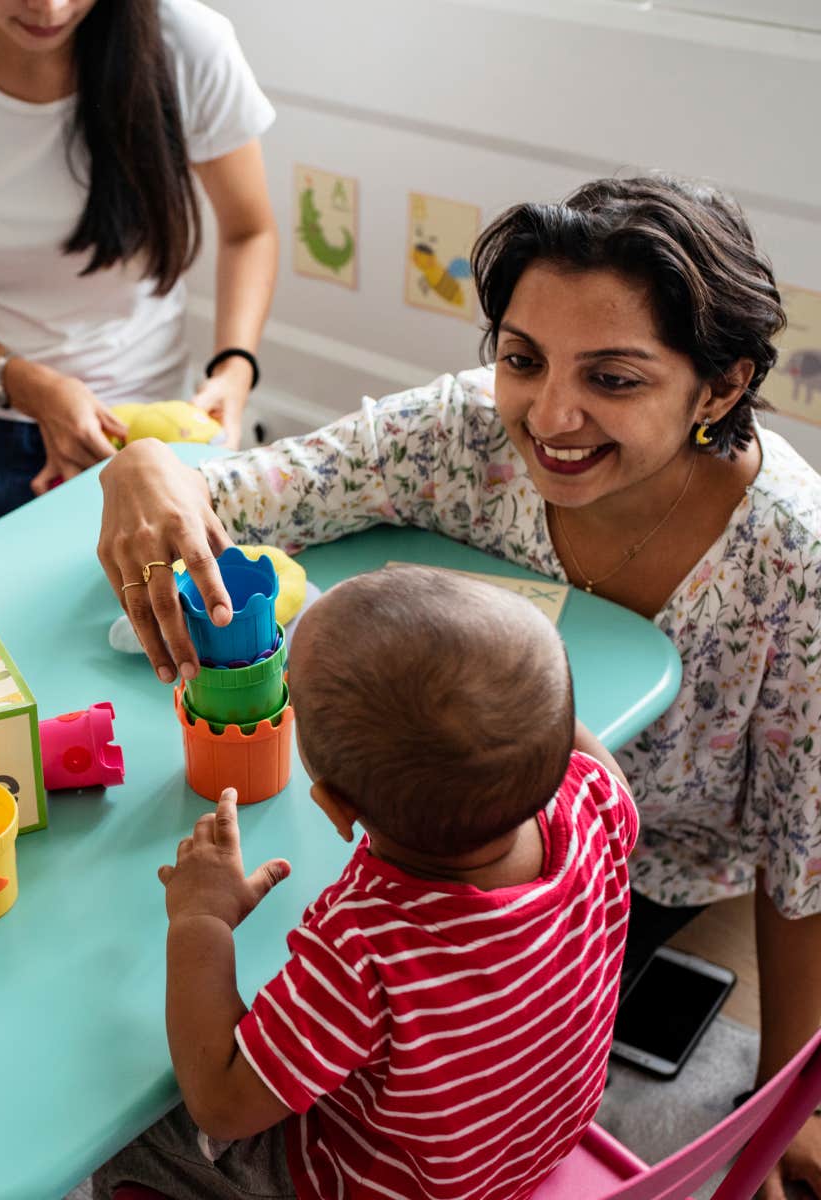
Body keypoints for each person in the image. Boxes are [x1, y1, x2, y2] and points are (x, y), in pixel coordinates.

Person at [96, 173, 821, 1200]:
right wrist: (144, 469)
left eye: (613, 379)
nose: (551, 415)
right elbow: (238, 492)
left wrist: (799, 1100)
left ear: (720, 387)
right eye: (522, 360)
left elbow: (807, 855)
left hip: (639, 878)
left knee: (159, 1069)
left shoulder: (796, 558)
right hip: (560, 863)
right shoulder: (462, 437)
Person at [93, 565, 638, 1200]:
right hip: (521, 1150)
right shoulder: (592, 800)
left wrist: (201, 920)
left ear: (335, 808)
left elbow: (220, 1100)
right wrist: (520, 699)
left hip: (390, 1185)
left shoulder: (365, 948)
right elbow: (582, 755)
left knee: (138, 1129)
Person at [0, 0, 277, 556]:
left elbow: (249, 232)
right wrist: (32, 386)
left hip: (143, 427)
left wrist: (235, 368)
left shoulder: (191, 44)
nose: (49, 7)